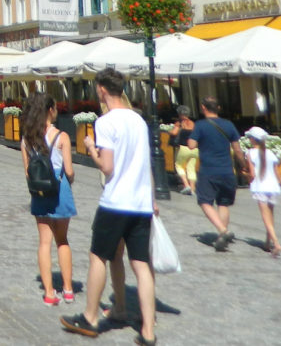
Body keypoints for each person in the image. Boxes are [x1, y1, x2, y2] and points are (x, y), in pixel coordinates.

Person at [61, 68, 156, 346]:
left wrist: (90, 147)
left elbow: (107, 166)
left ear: (102, 90)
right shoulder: (139, 121)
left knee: (97, 257)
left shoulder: (105, 122)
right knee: (141, 265)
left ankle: (90, 317)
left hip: (115, 202)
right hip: (140, 204)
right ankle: (148, 331)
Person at [21, 91, 76, 307]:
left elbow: (27, 172)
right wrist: (69, 178)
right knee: (62, 240)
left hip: (39, 191)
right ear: (50, 110)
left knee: (44, 241)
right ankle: (68, 289)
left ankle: (50, 292)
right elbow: (69, 171)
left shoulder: (27, 139)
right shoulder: (61, 137)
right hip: (60, 189)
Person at [187, 96, 244, 251]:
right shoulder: (229, 124)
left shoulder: (200, 125)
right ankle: (221, 237)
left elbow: (191, 145)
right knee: (223, 203)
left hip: (208, 171)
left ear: (203, 108)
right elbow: (238, 150)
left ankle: (223, 230)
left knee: (204, 201)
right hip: (227, 170)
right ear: (218, 108)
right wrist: (243, 165)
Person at [243, 126, 281, 257]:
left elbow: (252, 175)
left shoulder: (250, 153)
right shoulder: (270, 153)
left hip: (260, 187)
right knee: (270, 215)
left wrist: (245, 174)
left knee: (266, 217)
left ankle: (276, 243)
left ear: (253, 139)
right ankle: (267, 241)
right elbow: (278, 173)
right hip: (273, 187)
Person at [171, 105, 197, 195]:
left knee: (178, 165)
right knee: (191, 168)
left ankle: (186, 185)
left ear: (180, 114)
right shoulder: (193, 123)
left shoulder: (179, 123)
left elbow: (174, 132)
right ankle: (193, 189)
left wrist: (170, 131)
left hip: (183, 147)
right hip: (195, 149)